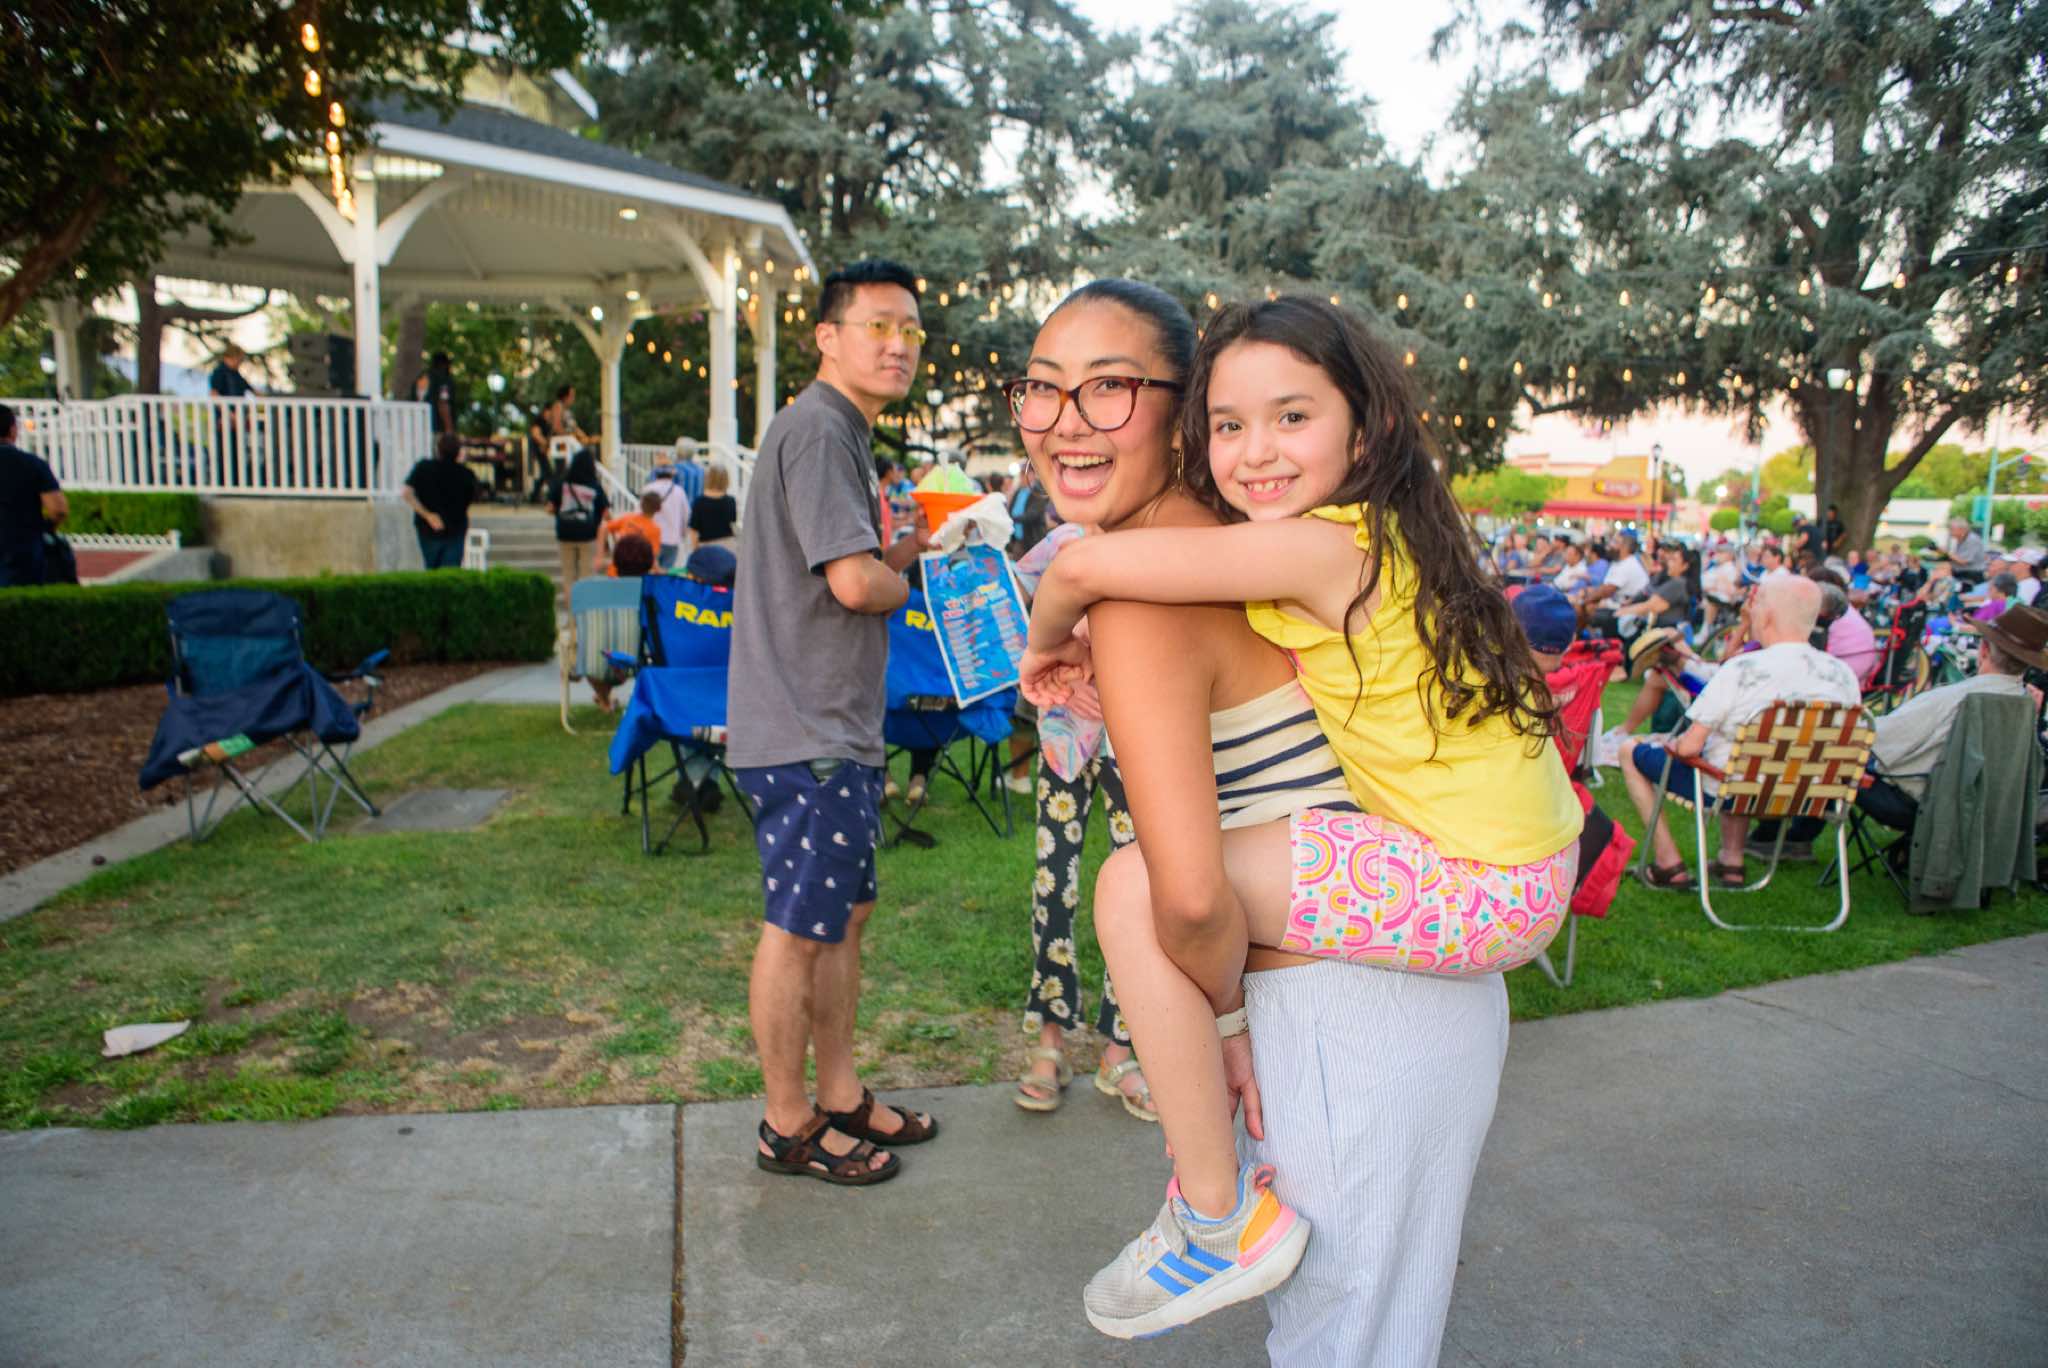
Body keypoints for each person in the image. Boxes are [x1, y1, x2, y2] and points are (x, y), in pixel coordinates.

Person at [1023, 295, 1580, 1350]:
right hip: (1425, 951)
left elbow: (1191, 898)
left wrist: (1043, 641)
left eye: (1108, 388)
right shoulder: (1262, 548)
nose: (1066, 420)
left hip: (1362, 1002)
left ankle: (1214, 1215)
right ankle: (1213, 1211)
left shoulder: (1218, 572)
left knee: (1132, 883)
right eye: (1042, 389)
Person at [727, 259, 936, 1188]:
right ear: (827, 337)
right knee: (800, 928)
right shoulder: (818, 428)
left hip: (831, 729)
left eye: (911, 331)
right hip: (805, 731)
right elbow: (854, 585)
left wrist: (902, 554)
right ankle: (787, 1122)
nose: (899, 346)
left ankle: (841, 1095)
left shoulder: (840, 431)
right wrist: (904, 584)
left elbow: (849, 564)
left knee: (844, 918)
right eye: (878, 326)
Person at [1621, 576, 1860, 888]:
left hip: (1737, 790)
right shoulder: (1843, 675)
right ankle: (1730, 860)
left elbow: (1690, 748)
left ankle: (1668, 864)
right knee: (1736, 753)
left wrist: (1673, 745)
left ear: (1768, 615)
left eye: (1755, 606)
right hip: (1811, 795)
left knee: (1631, 751)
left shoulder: (1743, 669)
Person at [0, 405, 66, 587]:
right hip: (22, 549)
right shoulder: (33, 464)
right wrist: (45, 528)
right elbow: (58, 510)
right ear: (13, 430)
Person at [401, 432, 479, 570]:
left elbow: (407, 493)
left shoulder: (423, 467)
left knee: (431, 567)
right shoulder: (466, 474)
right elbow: (472, 497)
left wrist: (427, 515)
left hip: (428, 527)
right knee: (451, 569)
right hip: (455, 527)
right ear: (459, 451)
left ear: (438, 449)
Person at [547, 446, 608, 596]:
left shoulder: (562, 483)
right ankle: (584, 610)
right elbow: (605, 512)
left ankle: (571, 611)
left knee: (568, 576)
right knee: (587, 576)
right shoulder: (595, 486)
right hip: (588, 535)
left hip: (565, 533)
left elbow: (550, 508)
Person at [599, 491, 665, 574]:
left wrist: (599, 555)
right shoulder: (655, 529)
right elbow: (652, 558)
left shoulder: (628, 518)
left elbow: (603, 528)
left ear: (641, 505)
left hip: (615, 572)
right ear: (659, 509)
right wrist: (659, 571)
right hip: (636, 575)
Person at [641, 465, 691, 570]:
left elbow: (640, 512)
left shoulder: (648, 489)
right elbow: (686, 514)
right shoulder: (679, 491)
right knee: (665, 572)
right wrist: (683, 533)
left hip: (650, 538)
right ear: (671, 475)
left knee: (649, 571)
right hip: (672, 539)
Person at [688, 463, 739, 549]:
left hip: (706, 546)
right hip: (728, 546)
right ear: (726, 480)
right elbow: (732, 524)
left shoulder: (699, 502)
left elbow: (694, 530)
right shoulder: (731, 501)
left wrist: (695, 550)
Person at [423, 351, 460, 436]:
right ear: (444, 365)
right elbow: (443, 402)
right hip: (437, 428)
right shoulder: (443, 380)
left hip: (419, 426)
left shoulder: (422, 378)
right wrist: (449, 429)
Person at [1946, 517, 1988, 582]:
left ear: (1962, 529)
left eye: (1952, 529)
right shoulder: (1957, 539)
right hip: (1960, 572)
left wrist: (1946, 553)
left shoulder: (1972, 540)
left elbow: (1963, 561)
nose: (1950, 531)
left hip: (1971, 575)